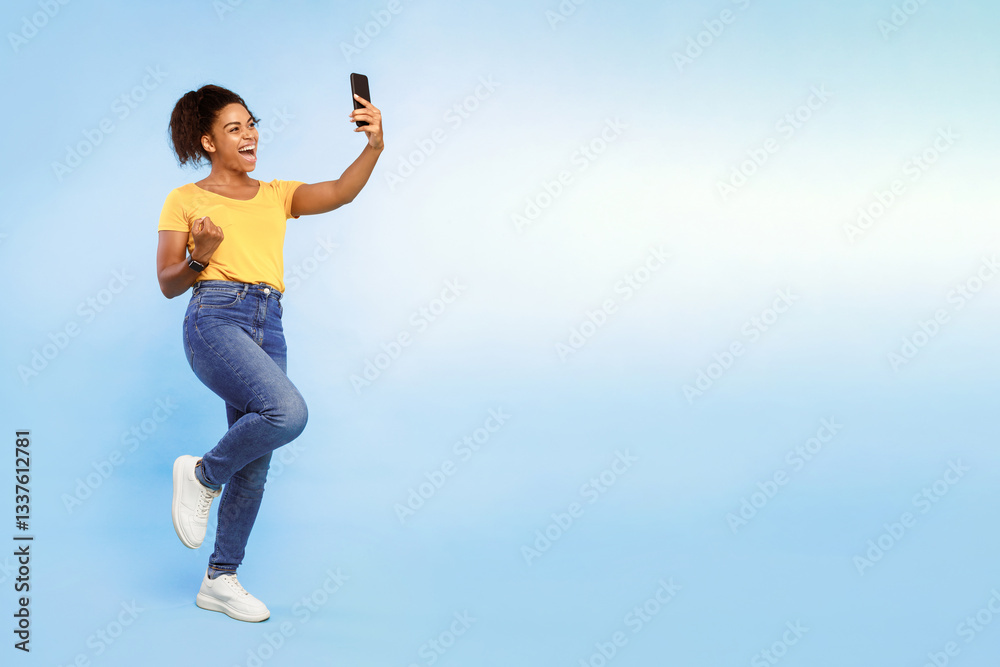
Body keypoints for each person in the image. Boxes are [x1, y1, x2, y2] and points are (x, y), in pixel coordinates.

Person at [156, 83, 383, 622]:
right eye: (234, 128)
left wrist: (372, 146)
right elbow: (168, 282)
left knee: (256, 464)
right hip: (214, 317)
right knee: (288, 413)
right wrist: (199, 258)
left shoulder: (276, 193)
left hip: (269, 323)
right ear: (208, 142)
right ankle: (202, 474)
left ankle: (220, 579)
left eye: (250, 123)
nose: (249, 134)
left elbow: (339, 192)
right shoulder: (184, 200)